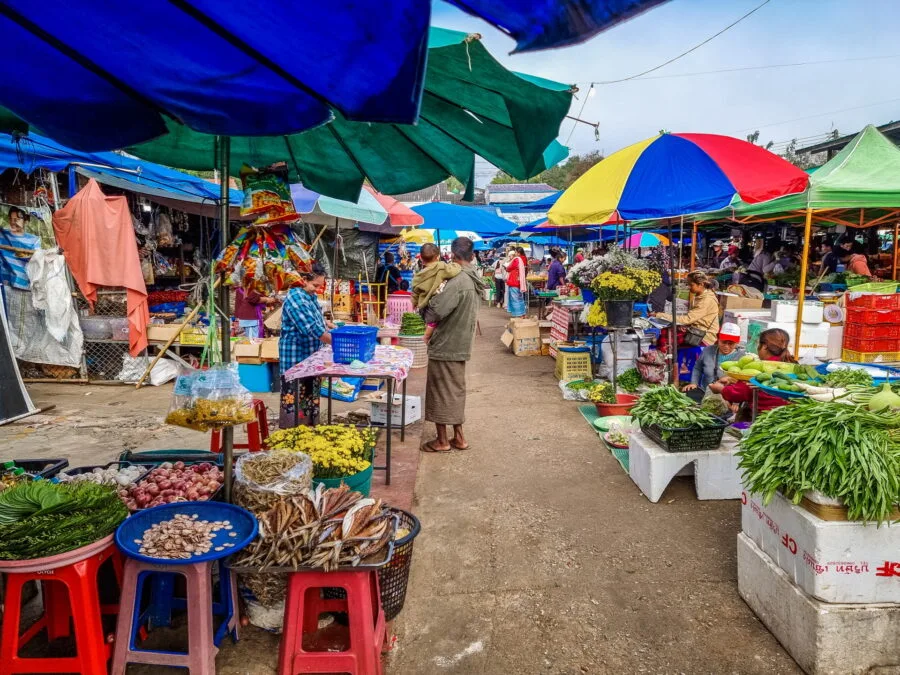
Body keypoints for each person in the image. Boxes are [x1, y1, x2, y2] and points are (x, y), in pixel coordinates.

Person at [421, 237, 486, 453]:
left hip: (447, 343)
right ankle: (459, 437)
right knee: (455, 390)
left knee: (440, 391)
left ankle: (442, 440)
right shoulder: (472, 278)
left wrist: (425, 307)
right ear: (473, 255)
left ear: (452, 255)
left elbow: (437, 311)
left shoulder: (458, 281)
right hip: (460, 342)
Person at [278, 263, 334, 428]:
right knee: (294, 397)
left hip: (310, 357)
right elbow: (312, 328)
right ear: (303, 280)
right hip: (296, 358)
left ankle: (308, 432)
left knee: (310, 395)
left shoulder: (309, 296)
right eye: (315, 285)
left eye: (320, 286)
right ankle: (292, 435)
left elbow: (318, 321)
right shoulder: (296, 297)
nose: (317, 289)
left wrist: (331, 326)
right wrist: (337, 342)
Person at [710, 328, 795, 417]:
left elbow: (739, 393)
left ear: (765, 346)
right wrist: (734, 381)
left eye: (758, 344)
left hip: (765, 417)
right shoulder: (791, 364)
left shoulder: (762, 367)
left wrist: (720, 389)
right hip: (788, 416)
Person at [652, 271, 721, 348]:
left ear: (701, 285)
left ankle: (667, 357)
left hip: (703, 336)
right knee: (665, 333)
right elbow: (694, 319)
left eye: (691, 285)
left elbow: (688, 319)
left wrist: (659, 315)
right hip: (695, 331)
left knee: (666, 338)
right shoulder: (700, 296)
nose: (688, 287)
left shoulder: (706, 300)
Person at [683, 322, 745, 392]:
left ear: (737, 343)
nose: (726, 346)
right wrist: (694, 383)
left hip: (730, 397)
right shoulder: (707, 351)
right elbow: (698, 368)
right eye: (723, 342)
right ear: (718, 339)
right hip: (706, 394)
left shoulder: (742, 357)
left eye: (731, 344)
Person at [411, 243, 460, 309]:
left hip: (423, 307)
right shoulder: (442, 268)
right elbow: (455, 270)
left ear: (421, 259)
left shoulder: (418, 277)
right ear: (438, 257)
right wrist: (456, 265)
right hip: (438, 306)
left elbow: (415, 295)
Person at [505, 246, 528, 317]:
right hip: (520, 281)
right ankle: (523, 313)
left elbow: (509, 268)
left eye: (515, 252)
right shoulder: (524, 259)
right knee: (520, 298)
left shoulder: (517, 259)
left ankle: (519, 314)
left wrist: (507, 266)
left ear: (518, 253)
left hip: (514, 281)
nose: (514, 253)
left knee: (515, 299)